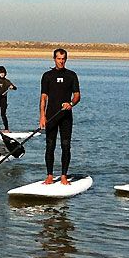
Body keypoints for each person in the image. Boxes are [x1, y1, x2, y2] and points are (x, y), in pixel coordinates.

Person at [39, 48, 80, 185]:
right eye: (58, 58)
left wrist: (71, 103)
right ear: (54, 59)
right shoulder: (47, 76)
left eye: (63, 59)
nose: (61, 61)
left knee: (66, 145)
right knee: (50, 146)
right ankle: (49, 175)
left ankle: (63, 176)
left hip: (66, 116)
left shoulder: (71, 75)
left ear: (66, 60)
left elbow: (77, 96)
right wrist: (42, 116)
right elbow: (43, 97)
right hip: (51, 115)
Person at [0, 65, 17, 133]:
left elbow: (15, 88)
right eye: (0, 73)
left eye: (3, 73)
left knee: (3, 114)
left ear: (5, 73)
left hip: (3, 100)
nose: (2, 74)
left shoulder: (7, 81)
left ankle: (6, 129)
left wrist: (12, 87)